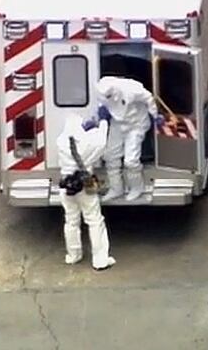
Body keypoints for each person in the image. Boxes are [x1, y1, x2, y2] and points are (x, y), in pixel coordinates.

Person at [57, 113, 116, 271]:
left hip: (66, 185)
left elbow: (75, 140)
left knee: (71, 221)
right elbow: (101, 141)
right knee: (95, 220)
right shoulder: (88, 143)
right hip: (85, 183)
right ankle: (100, 260)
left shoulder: (61, 141)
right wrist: (102, 122)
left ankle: (73, 256)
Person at [94, 76, 164, 202]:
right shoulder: (101, 92)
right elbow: (103, 105)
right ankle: (116, 188)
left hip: (136, 125)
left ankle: (137, 187)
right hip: (117, 124)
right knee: (110, 155)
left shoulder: (131, 89)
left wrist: (155, 115)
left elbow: (149, 98)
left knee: (131, 160)